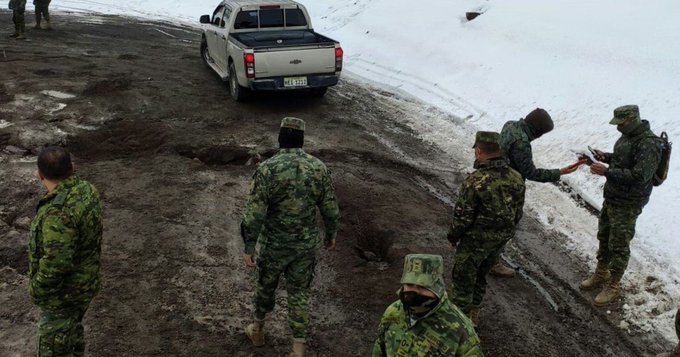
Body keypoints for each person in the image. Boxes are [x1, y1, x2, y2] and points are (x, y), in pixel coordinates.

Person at [241, 117, 340, 357]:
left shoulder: (267, 169)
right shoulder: (318, 168)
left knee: (265, 286)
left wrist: (249, 246)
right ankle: (298, 349)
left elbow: (254, 214)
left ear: (280, 138)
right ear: (302, 139)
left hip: (274, 245)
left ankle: (257, 330)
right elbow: (330, 207)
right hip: (304, 247)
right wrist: (331, 234)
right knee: (299, 294)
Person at [580, 105, 662, 306]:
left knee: (619, 243)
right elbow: (624, 159)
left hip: (628, 203)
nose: (618, 128)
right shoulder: (628, 136)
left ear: (632, 119)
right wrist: (606, 157)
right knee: (605, 235)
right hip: (614, 197)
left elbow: (640, 176)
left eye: (621, 123)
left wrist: (606, 172)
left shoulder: (649, 144)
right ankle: (601, 272)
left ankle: (614, 284)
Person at [29, 146, 104, 356]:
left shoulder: (57, 212)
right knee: (72, 336)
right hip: (85, 285)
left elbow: (56, 264)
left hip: (64, 296)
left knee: (53, 348)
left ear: (39, 175)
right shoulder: (87, 190)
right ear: (72, 167)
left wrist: (37, 288)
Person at [448, 131, 525, 323]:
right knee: (481, 276)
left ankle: (460, 326)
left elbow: (463, 217)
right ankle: (474, 314)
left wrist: (453, 236)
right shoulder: (517, 178)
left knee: (463, 282)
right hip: (498, 241)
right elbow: (518, 212)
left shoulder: (476, 180)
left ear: (479, 151)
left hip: (474, 242)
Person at [493, 108, 578, 277]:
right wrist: (559, 172)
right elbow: (531, 173)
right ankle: (492, 261)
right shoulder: (522, 143)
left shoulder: (510, 125)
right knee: (505, 225)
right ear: (537, 131)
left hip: (494, 178)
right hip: (508, 187)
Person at [372, 254, 483, 357]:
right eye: (410, 284)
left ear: (437, 287)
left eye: (423, 286)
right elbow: (380, 347)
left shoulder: (460, 329)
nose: (414, 291)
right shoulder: (392, 312)